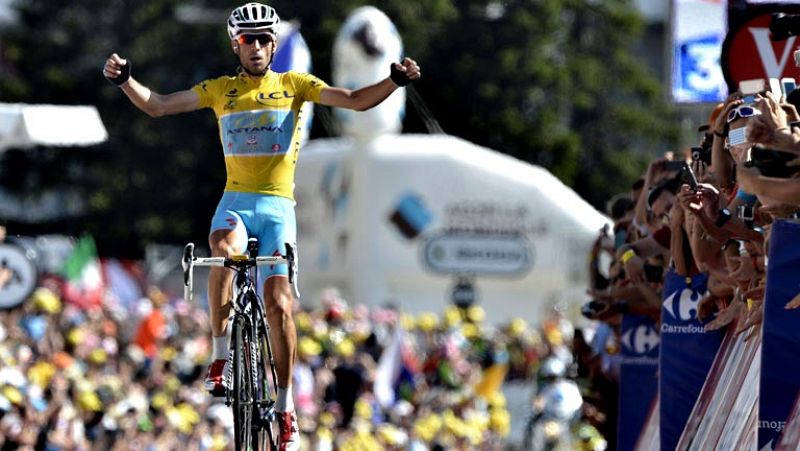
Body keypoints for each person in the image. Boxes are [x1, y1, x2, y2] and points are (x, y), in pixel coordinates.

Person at [102, 3, 421, 449]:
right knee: (222, 253)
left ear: (273, 45)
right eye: (246, 39)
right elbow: (157, 106)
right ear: (235, 45)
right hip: (236, 202)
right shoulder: (221, 89)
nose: (255, 46)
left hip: (277, 209)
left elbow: (353, 100)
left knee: (279, 305)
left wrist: (394, 82)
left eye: (264, 39)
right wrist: (124, 80)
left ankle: (286, 406)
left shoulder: (295, 85)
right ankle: (221, 356)